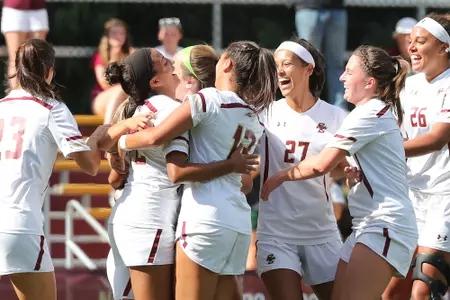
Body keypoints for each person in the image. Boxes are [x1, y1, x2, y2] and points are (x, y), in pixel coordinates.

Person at [99, 41, 277, 300]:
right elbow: (245, 183)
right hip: (237, 222)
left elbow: (162, 149)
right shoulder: (255, 115)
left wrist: (118, 143)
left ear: (226, 64)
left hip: (202, 219)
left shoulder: (205, 100)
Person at [261, 45, 418, 300]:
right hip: (366, 225)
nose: (341, 77)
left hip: (385, 224)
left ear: (369, 82)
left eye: (348, 71)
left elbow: (321, 164)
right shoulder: (367, 112)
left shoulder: (368, 112)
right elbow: (340, 165)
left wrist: (279, 177)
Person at [0, 39, 142, 300]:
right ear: (49, 71)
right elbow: (89, 165)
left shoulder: (2, 106)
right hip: (19, 225)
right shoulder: (51, 108)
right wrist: (100, 136)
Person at [256, 38, 347, 300]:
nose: (279, 71)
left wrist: (349, 172)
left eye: (286, 64)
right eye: (276, 66)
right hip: (276, 233)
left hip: (322, 231)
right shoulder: (265, 114)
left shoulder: (335, 116)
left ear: (309, 69)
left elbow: (337, 168)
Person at [382, 13, 450, 300]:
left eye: (420, 41)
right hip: (411, 198)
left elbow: (438, 139)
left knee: (423, 290)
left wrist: (385, 149)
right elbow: (400, 135)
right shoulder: (409, 86)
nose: (411, 47)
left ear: (445, 47)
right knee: (390, 293)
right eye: (410, 41)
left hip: (444, 197)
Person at [293, 0, 347, 110]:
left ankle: (340, 111)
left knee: (337, 64)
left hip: (337, 8)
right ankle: (308, 107)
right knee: (308, 63)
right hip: (308, 7)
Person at [1, 0, 49, 88]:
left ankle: (36, 97)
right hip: (14, 8)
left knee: (37, 60)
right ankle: (17, 98)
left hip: (38, 8)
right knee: (15, 60)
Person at [92, 18, 133, 117]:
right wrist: (113, 58)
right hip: (102, 100)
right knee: (120, 89)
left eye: (121, 33)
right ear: (108, 36)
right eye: (114, 33)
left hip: (126, 100)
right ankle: (108, 128)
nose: (118, 36)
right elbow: (104, 84)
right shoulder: (100, 55)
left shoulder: (131, 54)